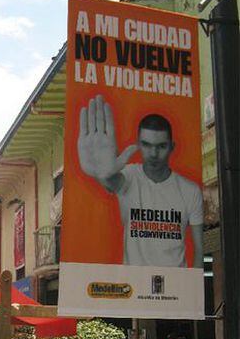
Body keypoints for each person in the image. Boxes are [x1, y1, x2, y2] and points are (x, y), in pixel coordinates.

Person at [78, 95, 203, 268]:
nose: (153, 153)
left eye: (161, 146)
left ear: (172, 147)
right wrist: (101, 173)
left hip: (176, 288)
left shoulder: (190, 190)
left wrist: (193, 291)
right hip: (133, 287)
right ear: (138, 144)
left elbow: (199, 250)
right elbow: (113, 182)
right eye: (146, 144)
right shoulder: (129, 177)